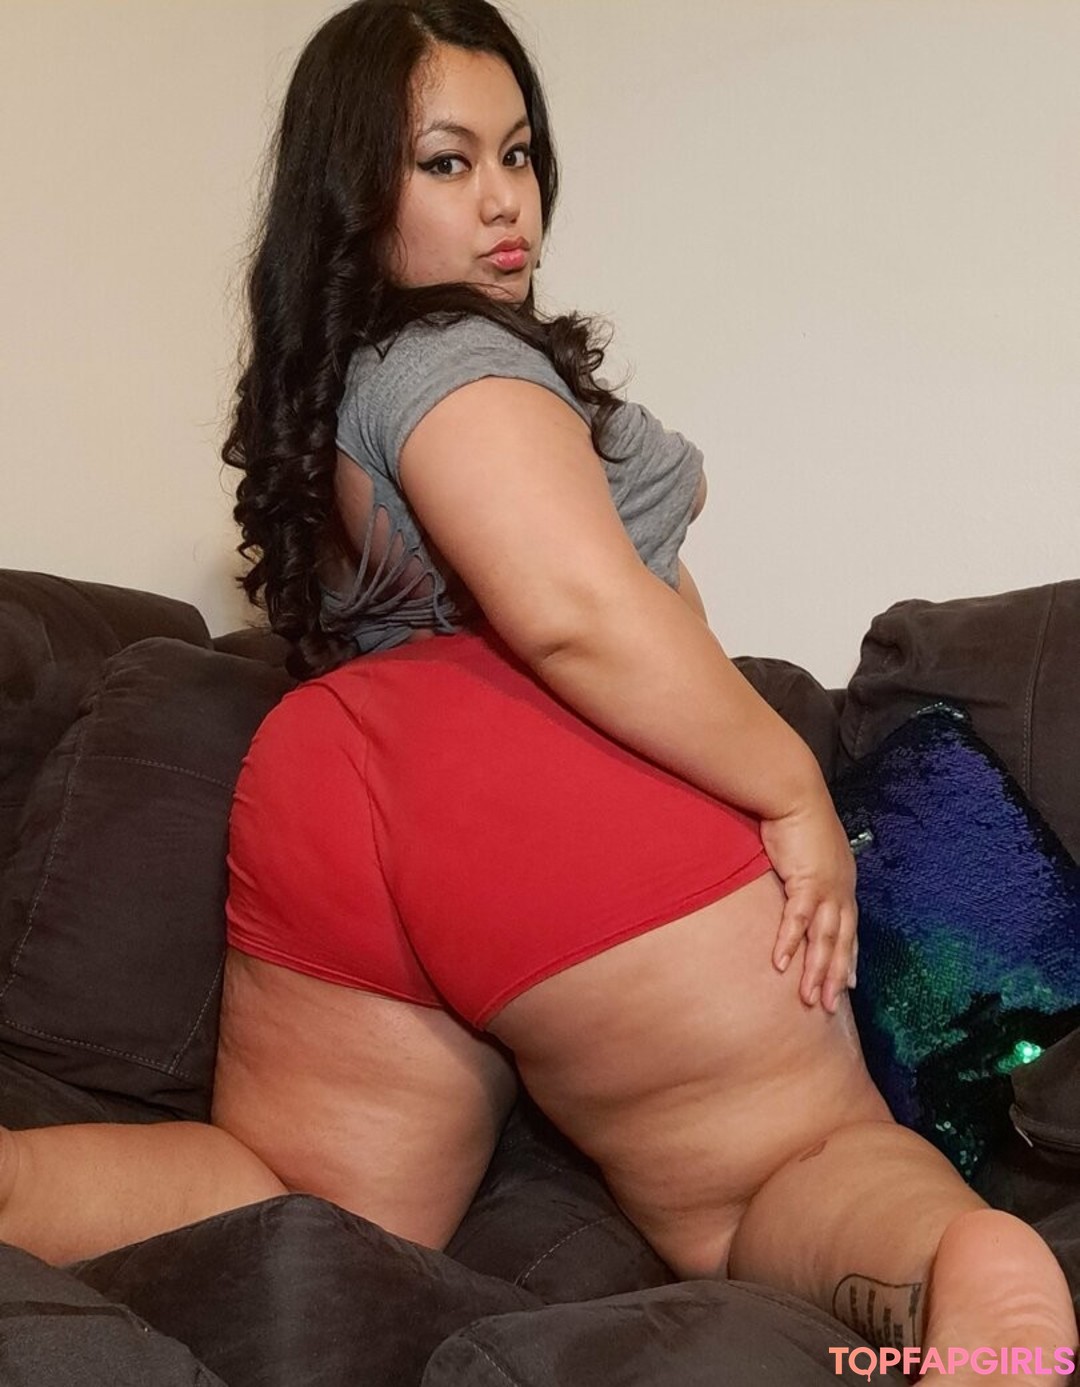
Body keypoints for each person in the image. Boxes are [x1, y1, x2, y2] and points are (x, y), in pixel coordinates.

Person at [0, 3, 1074, 1381]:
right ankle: (972, 1290)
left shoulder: (334, 392)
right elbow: (572, 615)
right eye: (447, 162)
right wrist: (790, 787)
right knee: (791, 1171)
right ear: (351, 191)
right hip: (538, 769)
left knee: (299, 1194)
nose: (506, 199)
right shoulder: (462, 364)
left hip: (331, 780)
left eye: (517, 154)